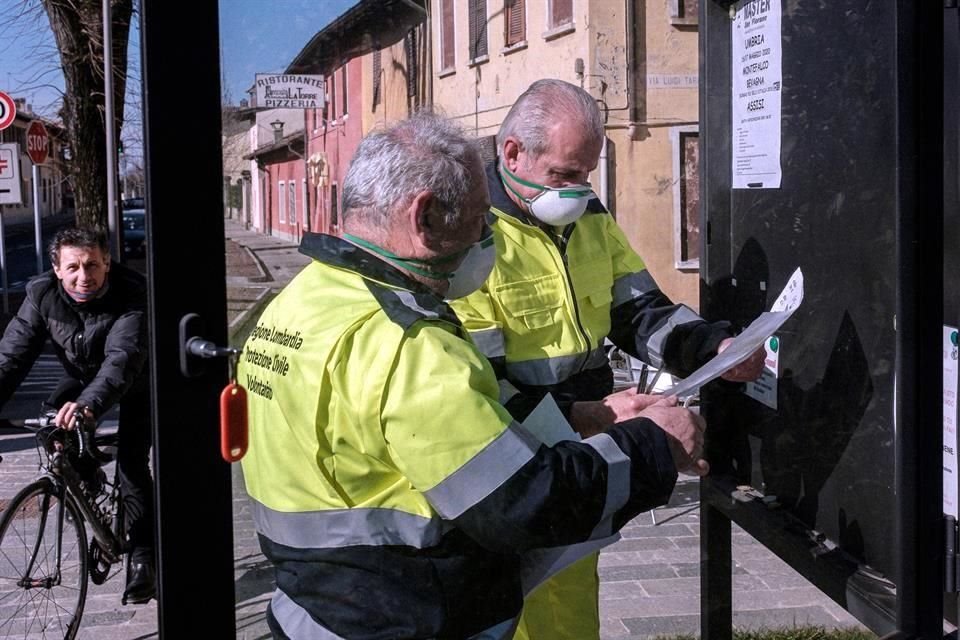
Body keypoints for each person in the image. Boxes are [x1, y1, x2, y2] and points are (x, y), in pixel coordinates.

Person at [239, 112, 709, 640]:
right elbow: (523, 504)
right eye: (480, 217)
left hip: (313, 611)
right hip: (406, 615)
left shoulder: (301, 301)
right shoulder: (409, 344)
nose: (488, 234)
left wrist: (588, 415)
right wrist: (652, 444)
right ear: (425, 217)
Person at [449, 78, 766, 640]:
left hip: (585, 445)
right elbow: (477, 380)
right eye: (565, 175)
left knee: (570, 598)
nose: (577, 189)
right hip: (514, 451)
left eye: (586, 174)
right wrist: (584, 415)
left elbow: (639, 308)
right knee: (511, 606)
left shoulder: (587, 214)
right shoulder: (472, 233)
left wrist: (711, 346)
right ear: (513, 152)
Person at [0, 227, 155, 604]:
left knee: (132, 465)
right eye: (73, 267)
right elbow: (12, 357)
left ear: (107, 264)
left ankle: (143, 560)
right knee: (55, 432)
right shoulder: (41, 295)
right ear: (56, 269)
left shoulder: (132, 292)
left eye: (92, 265)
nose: (83, 276)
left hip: (138, 379)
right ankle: (87, 479)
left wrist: (87, 406)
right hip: (82, 376)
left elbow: (123, 360)